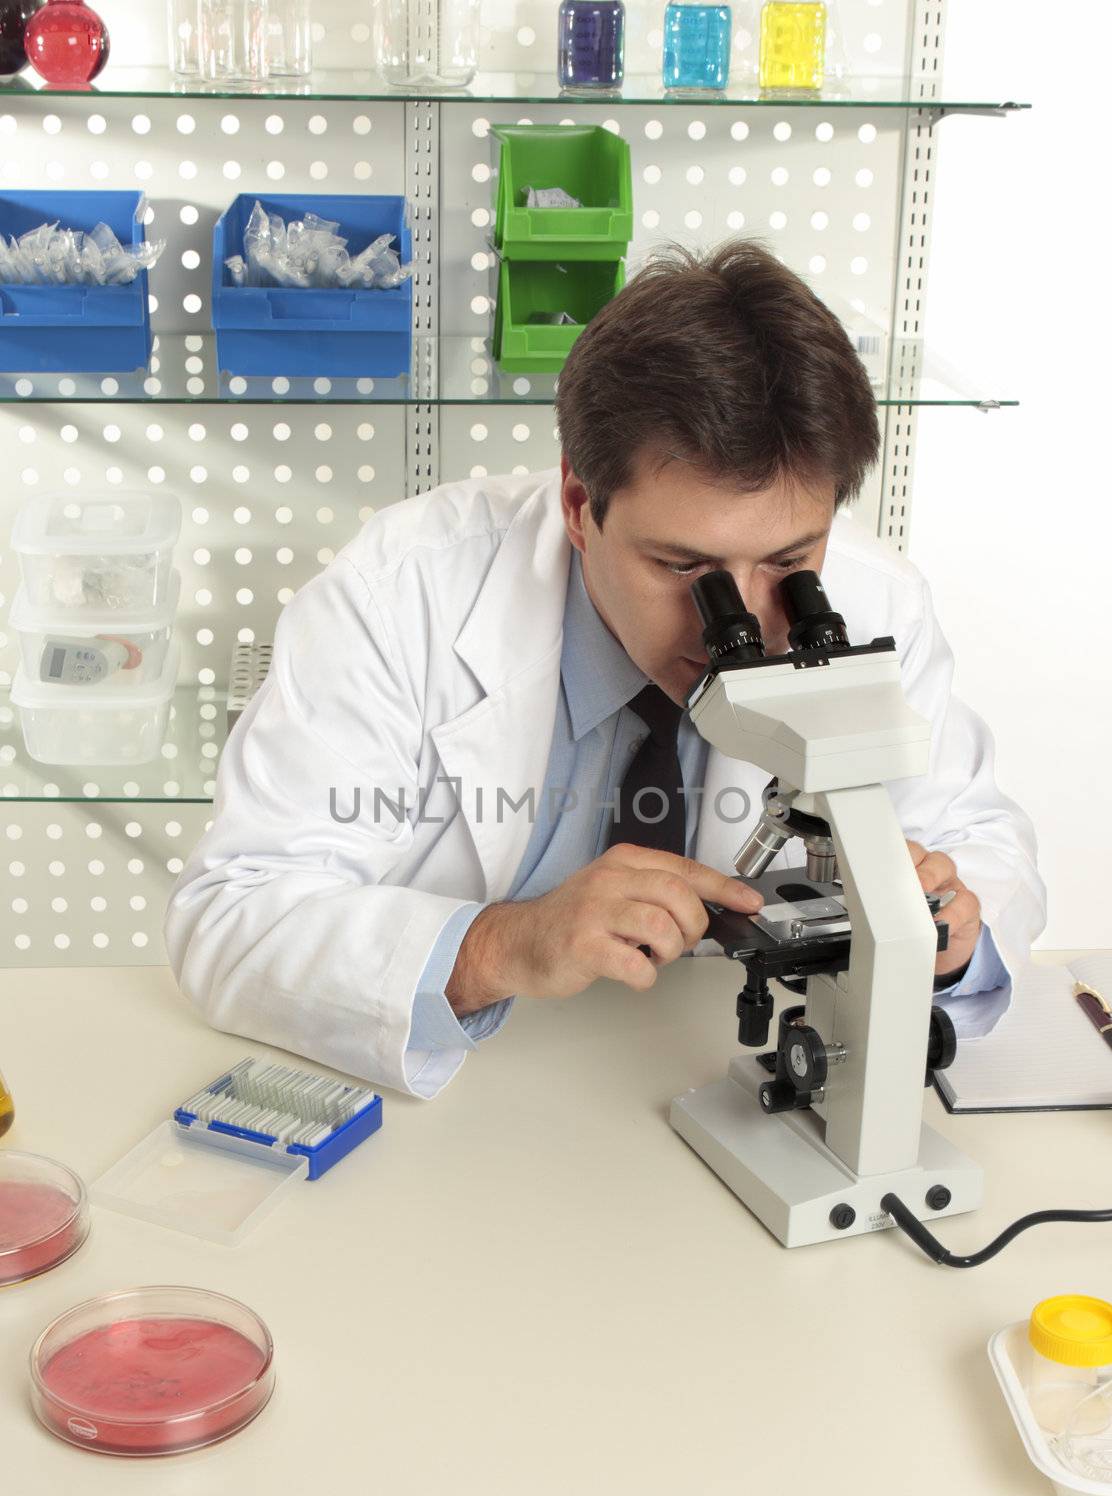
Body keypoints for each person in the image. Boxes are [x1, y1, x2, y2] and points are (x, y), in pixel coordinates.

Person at [164, 241, 1046, 1099]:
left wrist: (950, 934)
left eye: (789, 561)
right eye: (683, 569)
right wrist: (499, 946)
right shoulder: (402, 592)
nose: (742, 618)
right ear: (581, 505)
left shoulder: (878, 598)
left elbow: (978, 843)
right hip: (472, 1106)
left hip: (716, 1070)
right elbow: (232, 916)